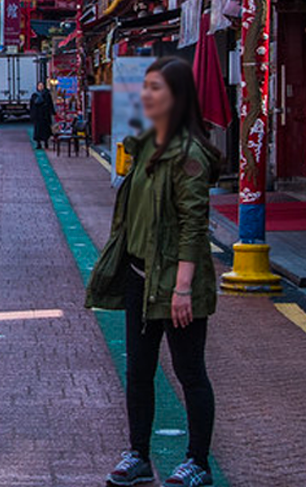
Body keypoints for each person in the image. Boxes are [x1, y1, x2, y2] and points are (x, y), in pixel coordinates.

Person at [86, 57, 220, 487]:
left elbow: (194, 225)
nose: (145, 96)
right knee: (139, 372)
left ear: (177, 97)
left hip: (175, 284)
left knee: (190, 373)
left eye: (155, 88)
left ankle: (198, 461)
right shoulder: (146, 145)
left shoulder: (189, 154)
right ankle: (138, 454)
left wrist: (182, 289)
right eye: (144, 87)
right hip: (139, 279)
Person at [31, 82, 55, 149]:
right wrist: (32, 115)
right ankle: (38, 144)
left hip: (45, 116)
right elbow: (32, 106)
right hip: (38, 116)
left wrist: (52, 112)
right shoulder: (34, 95)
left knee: (45, 131)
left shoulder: (47, 95)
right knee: (38, 131)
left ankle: (46, 143)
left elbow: (50, 104)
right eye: (39, 86)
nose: (40, 87)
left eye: (41, 86)